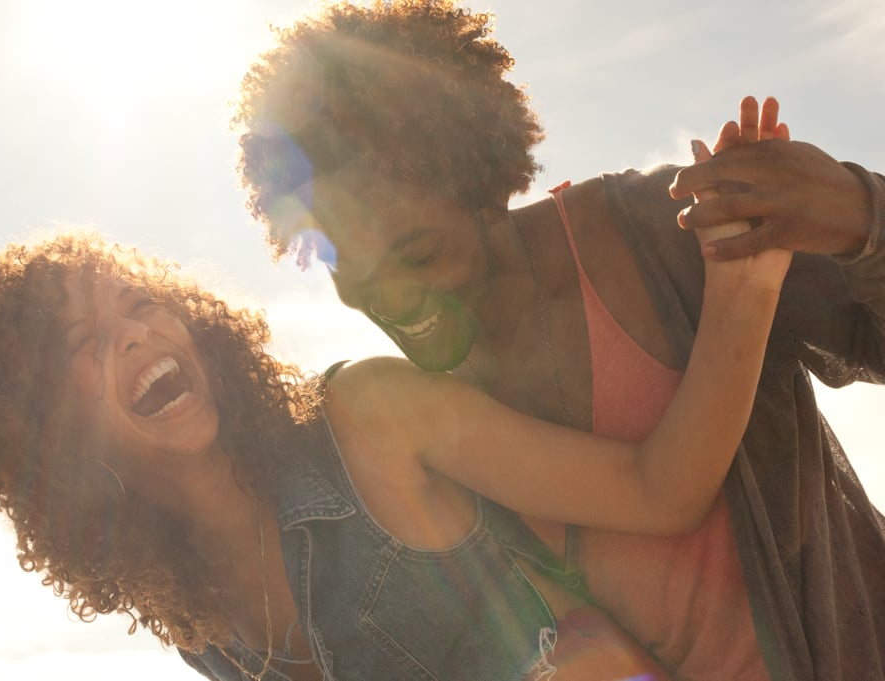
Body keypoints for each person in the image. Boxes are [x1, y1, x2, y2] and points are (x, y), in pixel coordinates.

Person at [232, 2, 885, 680]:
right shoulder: (423, 426)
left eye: (420, 255)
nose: (395, 302)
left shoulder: (667, 233)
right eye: (357, 278)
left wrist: (859, 213)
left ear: (483, 184)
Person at [0, 200, 784, 680]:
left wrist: (743, 289)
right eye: (84, 344)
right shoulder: (198, 623)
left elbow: (659, 490)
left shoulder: (371, 417)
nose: (135, 334)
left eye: (140, 304)